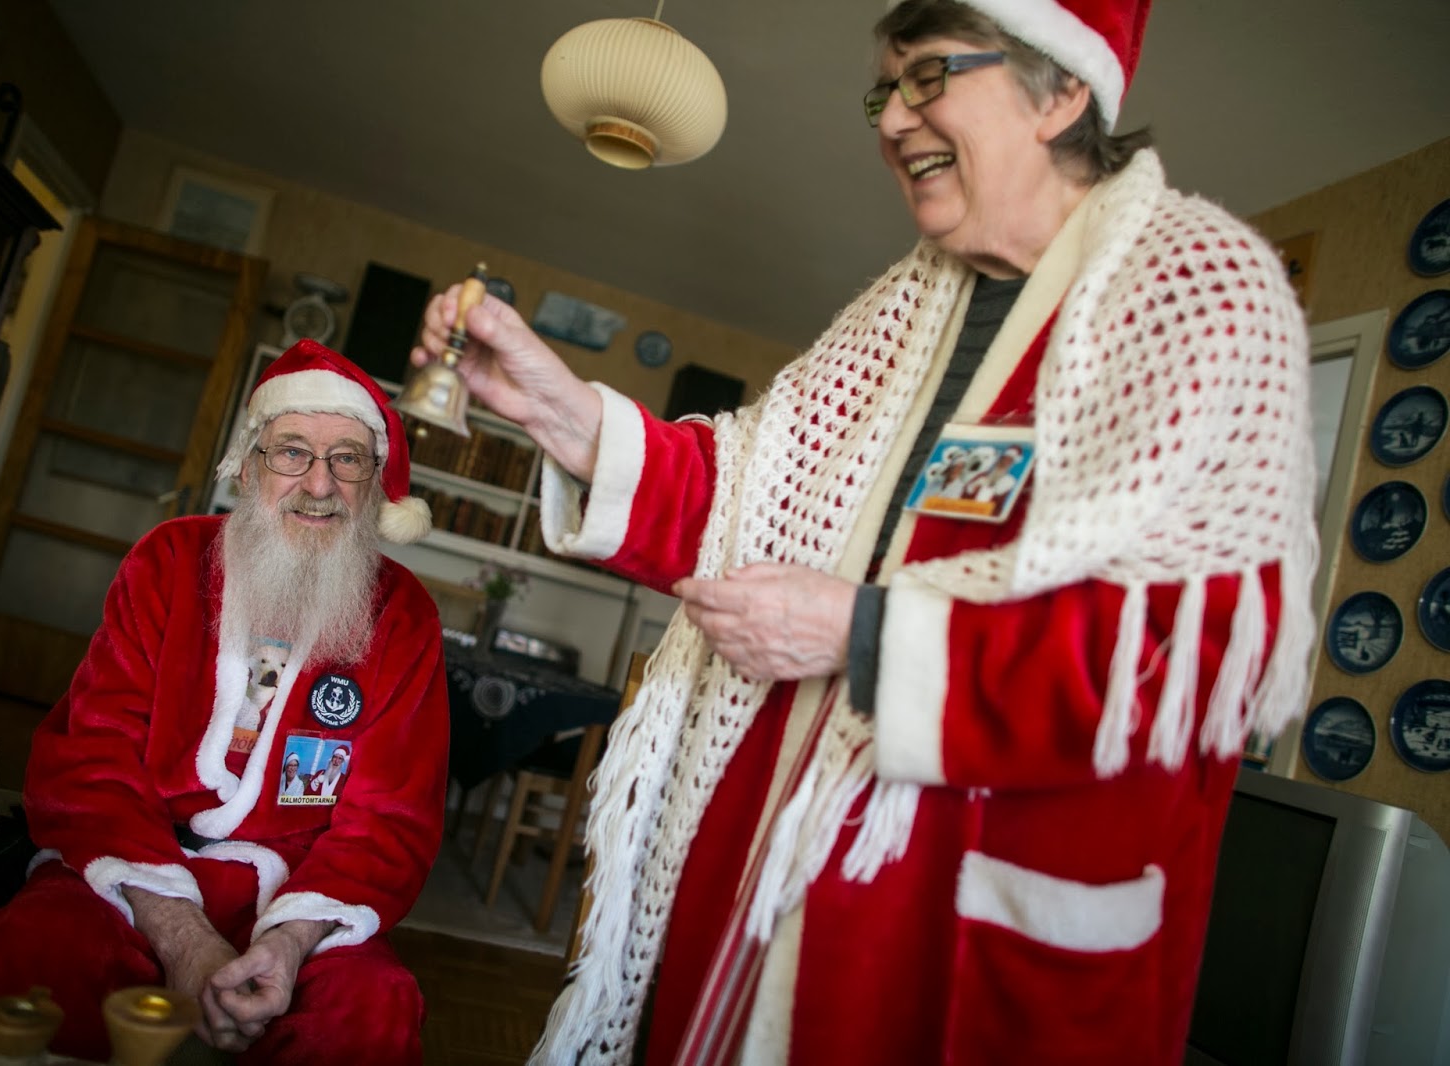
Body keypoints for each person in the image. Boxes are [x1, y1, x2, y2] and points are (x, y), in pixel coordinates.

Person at [413, 1, 1317, 1062]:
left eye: (929, 76)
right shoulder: (902, 305)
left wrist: (861, 634)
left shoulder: (1199, 292)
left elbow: (1179, 658)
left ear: (1063, 92)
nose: (891, 118)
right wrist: (563, 412)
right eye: (885, 88)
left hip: (958, 929)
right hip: (751, 878)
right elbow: (744, 498)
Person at [0, 341, 449, 1064]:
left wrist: (289, 941)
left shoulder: (403, 614)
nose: (319, 484)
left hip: (298, 895)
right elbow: (91, 757)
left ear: (373, 482)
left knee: (373, 1009)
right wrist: (182, 936)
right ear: (250, 466)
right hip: (136, 869)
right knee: (39, 953)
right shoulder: (167, 561)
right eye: (293, 452)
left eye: (347, 459)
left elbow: (392, 822)